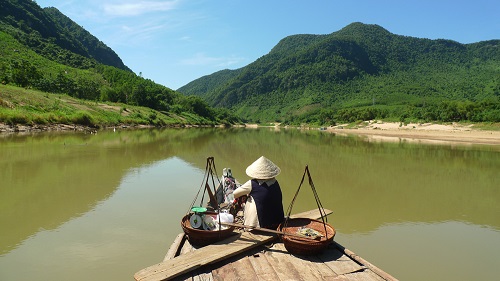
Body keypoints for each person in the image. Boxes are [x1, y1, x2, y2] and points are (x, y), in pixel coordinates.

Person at [232, 156, 285, 229]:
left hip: (260, 226)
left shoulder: (252, 183)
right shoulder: (275, 182)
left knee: (248, 197)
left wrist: (247, 194)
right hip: (278, 222)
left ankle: (251, 224)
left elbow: (235, 194)